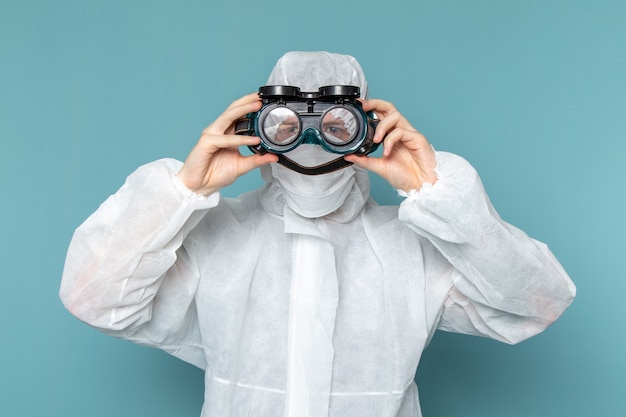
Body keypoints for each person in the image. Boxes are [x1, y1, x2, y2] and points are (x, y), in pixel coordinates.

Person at [60, 51, 576, 417]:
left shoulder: (412, 246)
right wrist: (182, 190)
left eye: (337, 124)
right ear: (255, 126)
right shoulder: (215, 238)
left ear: (368, 127)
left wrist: (437, 194)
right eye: (284, 124)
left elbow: (539, 302)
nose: (310, 141)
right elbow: (93, 297)